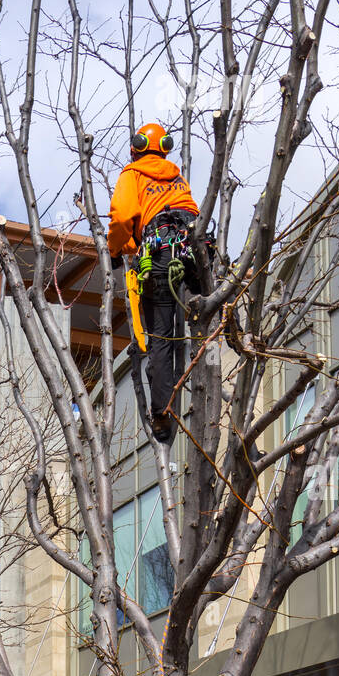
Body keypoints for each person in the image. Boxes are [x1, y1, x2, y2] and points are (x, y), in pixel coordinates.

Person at [108, 121, 199, 444]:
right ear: (164, 148)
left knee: (161, 337)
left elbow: (122, 217)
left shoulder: (131, 174)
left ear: (136, 148)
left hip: (160, 256)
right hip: (194, 249)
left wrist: (116, 248)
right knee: (200, 322)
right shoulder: (176, 176)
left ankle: (163, 413)